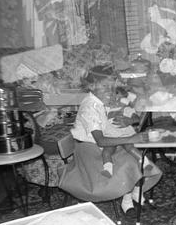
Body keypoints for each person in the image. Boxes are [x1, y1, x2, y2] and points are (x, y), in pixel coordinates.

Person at [60, 66, 162, 214]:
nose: (109, 90)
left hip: (103, 146)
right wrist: (131, 137)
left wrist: (129, 121)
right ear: (92, 86)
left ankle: (134, 194)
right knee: (130, 162)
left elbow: (119, 114)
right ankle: (127, 200)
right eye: (105, 86)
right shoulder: (90, 107)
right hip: (90, 152)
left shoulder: (100, 100)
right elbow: (100, 141)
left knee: (136, 157)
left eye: (111, 86)